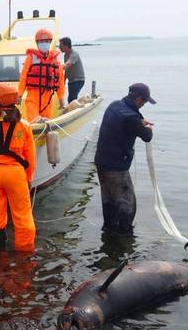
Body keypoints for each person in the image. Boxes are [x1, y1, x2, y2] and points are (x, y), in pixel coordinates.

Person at [0, 83, 36, 251]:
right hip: (16, 174)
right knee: (22, 216)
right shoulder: (24, 125)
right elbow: (30, 155)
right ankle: (24, 254)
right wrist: (29, 177)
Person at [94, 83, 155, 236]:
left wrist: (139, 123)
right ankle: (125, 237)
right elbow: (147, 136)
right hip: (116, 168)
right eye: (145, 101)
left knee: (108, 201)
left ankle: (109, 231)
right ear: (140, 99)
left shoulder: (114, 106)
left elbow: (123, 123)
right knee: (127, 204)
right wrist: (147, 128)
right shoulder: (131, 118)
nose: (144, 104)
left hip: (102, 162)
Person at [18, 28, 65, 122]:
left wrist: (61, 98)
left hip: (48, 98)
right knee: (33, 121)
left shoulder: (55, 59)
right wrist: (19, 95)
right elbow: (23, 77)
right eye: (42, 41)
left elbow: (60, 80)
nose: (44, 43)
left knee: (47, 123)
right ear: (37, 43)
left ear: (50, 42)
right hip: (33, 96)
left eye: (47, 41)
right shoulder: (31, 57)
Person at [59, 37, 85, 102]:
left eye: (60, 46)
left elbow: (67, 64)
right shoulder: (65, 55)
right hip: (71, 81)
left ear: (66, 46)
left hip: (78, 80)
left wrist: (54, 69)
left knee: (72, 99)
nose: (59, 47)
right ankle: (75, 108)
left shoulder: (74, 54)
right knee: (71, 99)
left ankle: (77, 111)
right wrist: (63, 80)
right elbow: (66, 69)